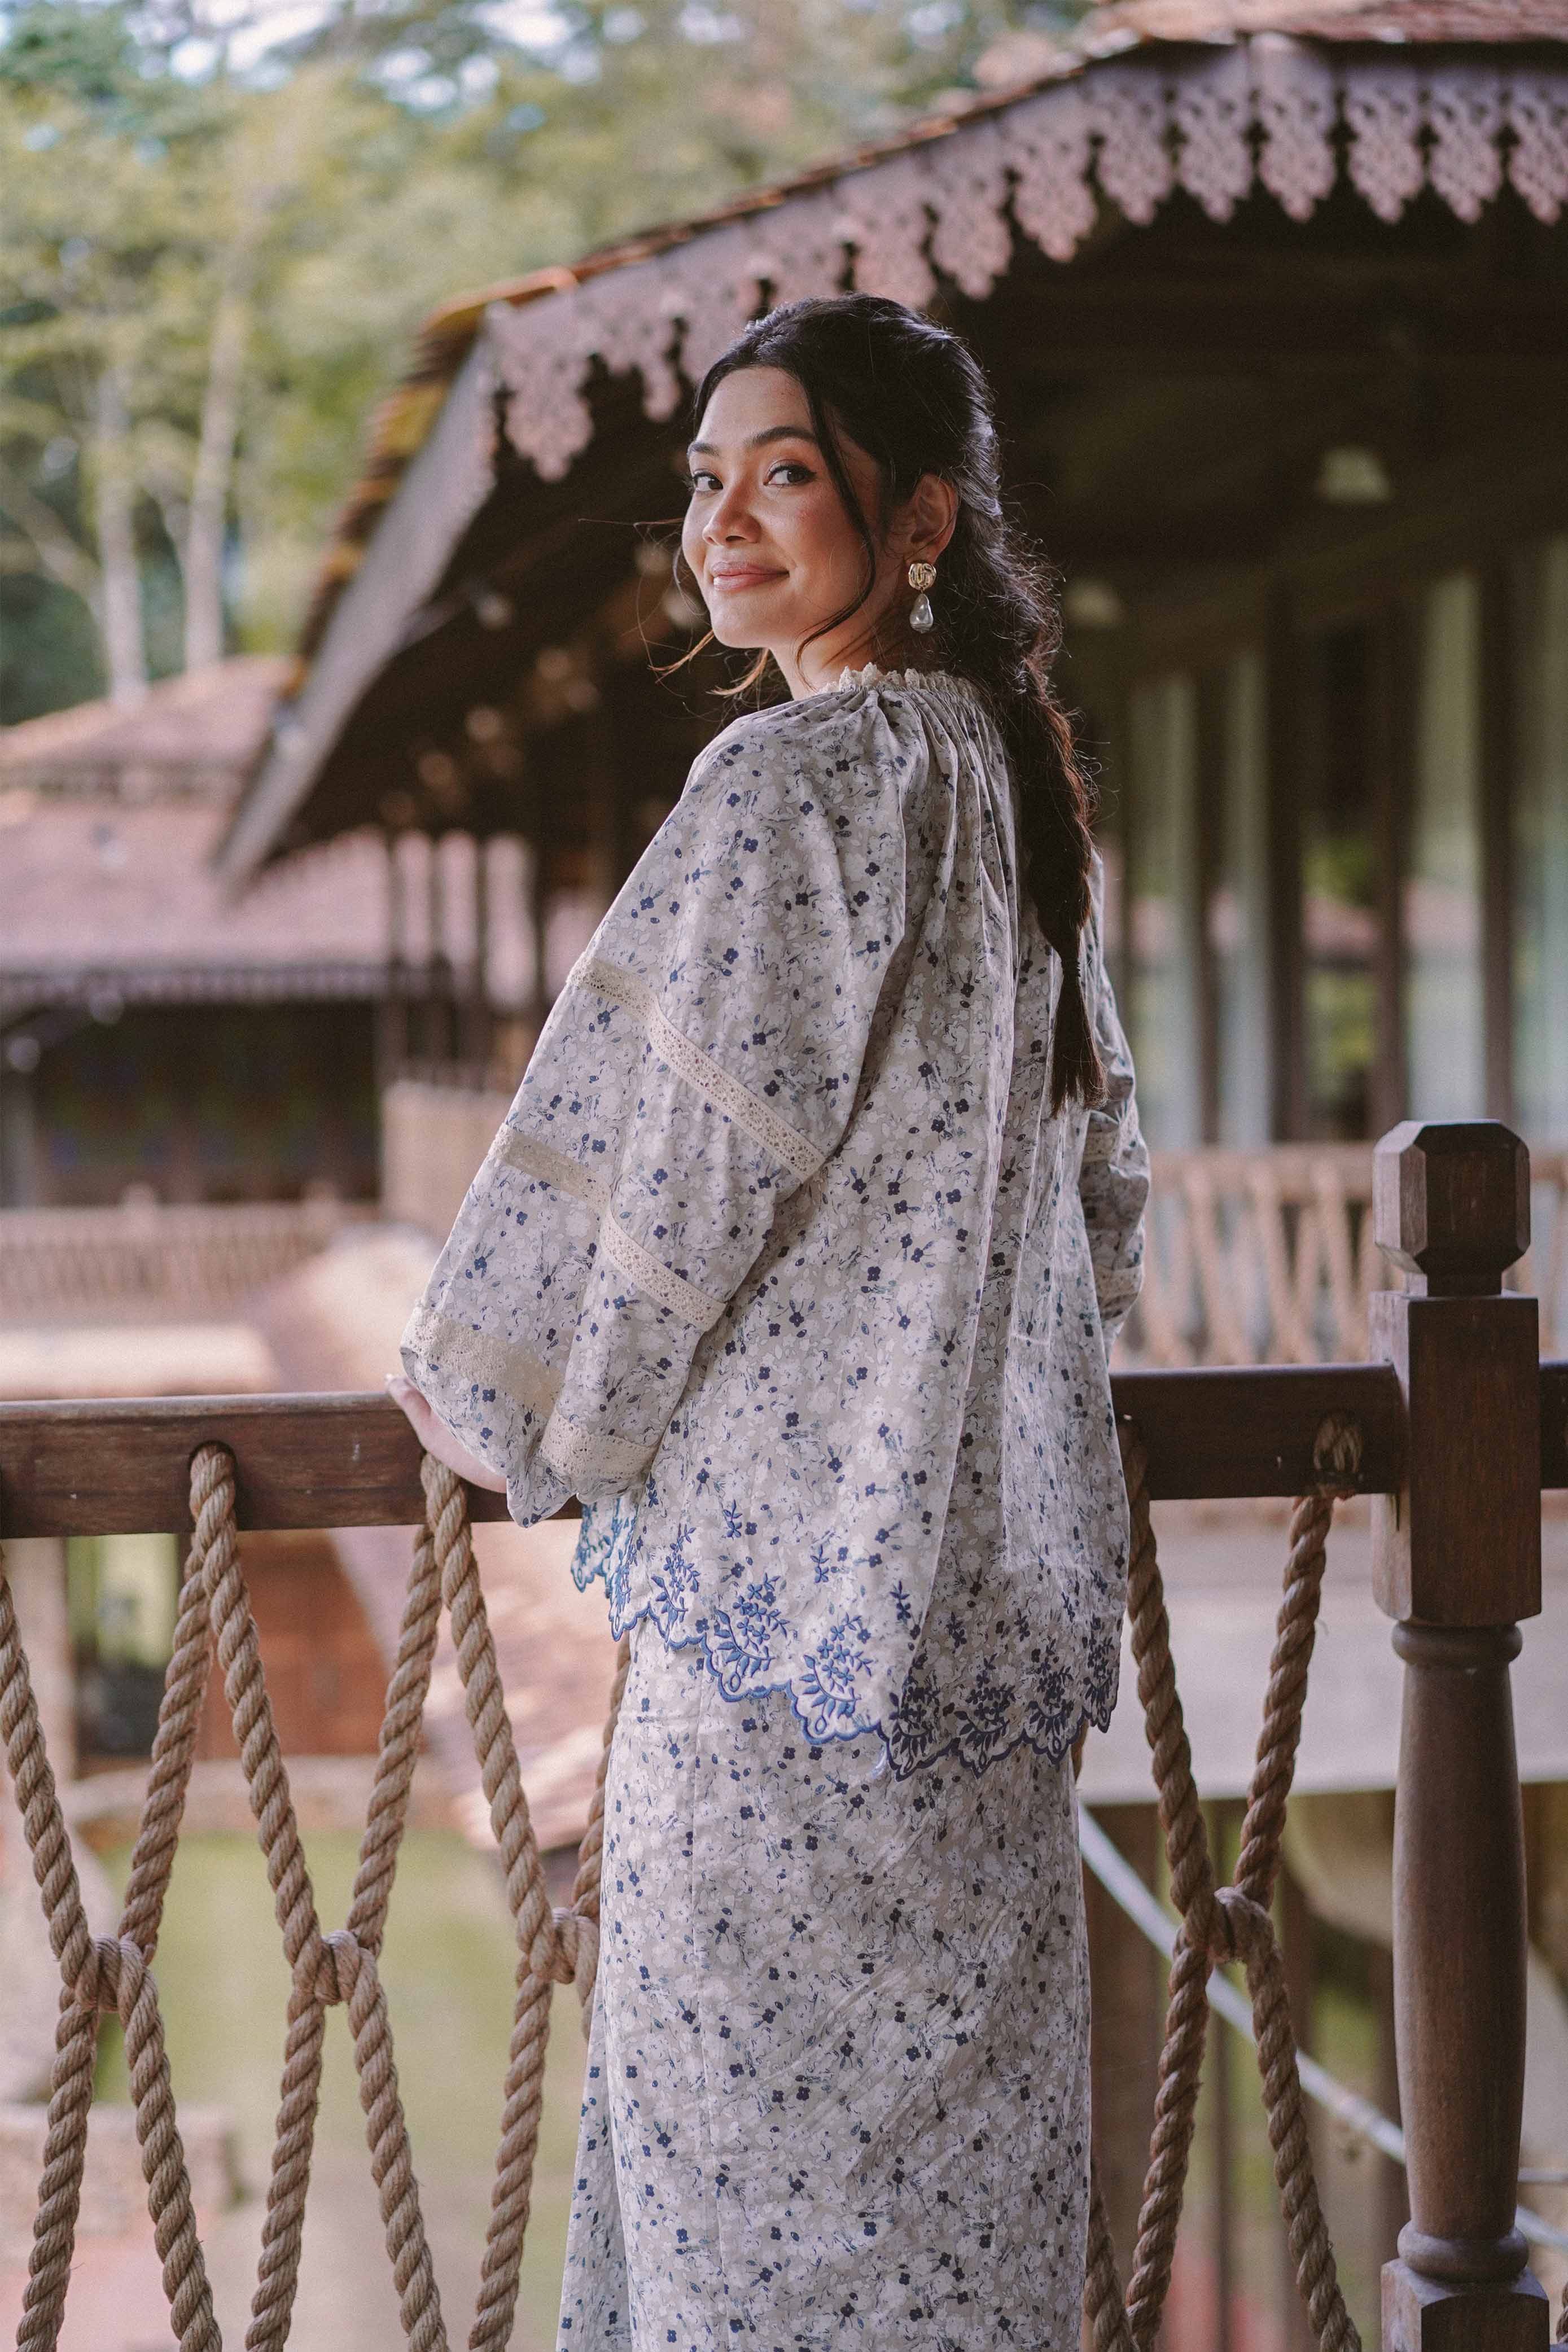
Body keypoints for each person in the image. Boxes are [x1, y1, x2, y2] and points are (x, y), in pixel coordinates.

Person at [390, 291, 1148, 2351]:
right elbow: (1109, 1207)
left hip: (780, 1634)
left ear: (920, 520)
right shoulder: (1016, 790)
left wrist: (505, 1407)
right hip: (985, 1638)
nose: (720, 521)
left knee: (751, 2218)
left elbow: (673, 1172)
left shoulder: (792, 779)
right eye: (704, 480)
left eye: (781, 473)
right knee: (952, 2217)